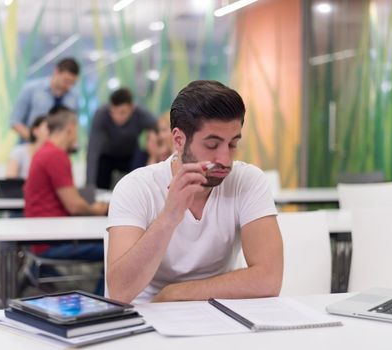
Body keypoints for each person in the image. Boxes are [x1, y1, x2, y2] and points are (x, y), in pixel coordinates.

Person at [106, 80, 283, 304]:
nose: (225, 160)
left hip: (219, 314)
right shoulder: (136, 187)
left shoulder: (247, 181)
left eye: (232, 144)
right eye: (212, 145)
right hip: (147, 317)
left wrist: (175, 293)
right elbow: (120, 292)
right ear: (179, 140)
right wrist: (169, 217)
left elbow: (268, 279)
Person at [24, 107, 108, 294]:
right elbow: (74, 205)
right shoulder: (56, 155)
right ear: (70, 128)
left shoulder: (44, 152)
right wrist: (97, 211)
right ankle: (101, 303)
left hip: (44, 236)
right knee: (116, 249)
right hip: (52, 241)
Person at [86, 88, 157, 189]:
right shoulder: (101, 114)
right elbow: (93, 150)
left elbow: (159, 127)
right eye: (113, 112)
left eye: (122, 112)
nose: (117, 117)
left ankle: (138, 192)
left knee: (141, 158)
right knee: (99, 175)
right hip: (107, 155)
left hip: (130, 155)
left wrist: (152, 140)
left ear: (132, 108)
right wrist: (89, 185)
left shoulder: (141, 114)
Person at [10, 58, 80, 141]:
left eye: (72, 83)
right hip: (31, 149)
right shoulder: (31, 89)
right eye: (66, 81)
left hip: (58, 151)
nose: (68, 86)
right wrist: (35, 141)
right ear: (56, 72)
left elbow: (72, 125)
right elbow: (15, 121)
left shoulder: (74, 97)